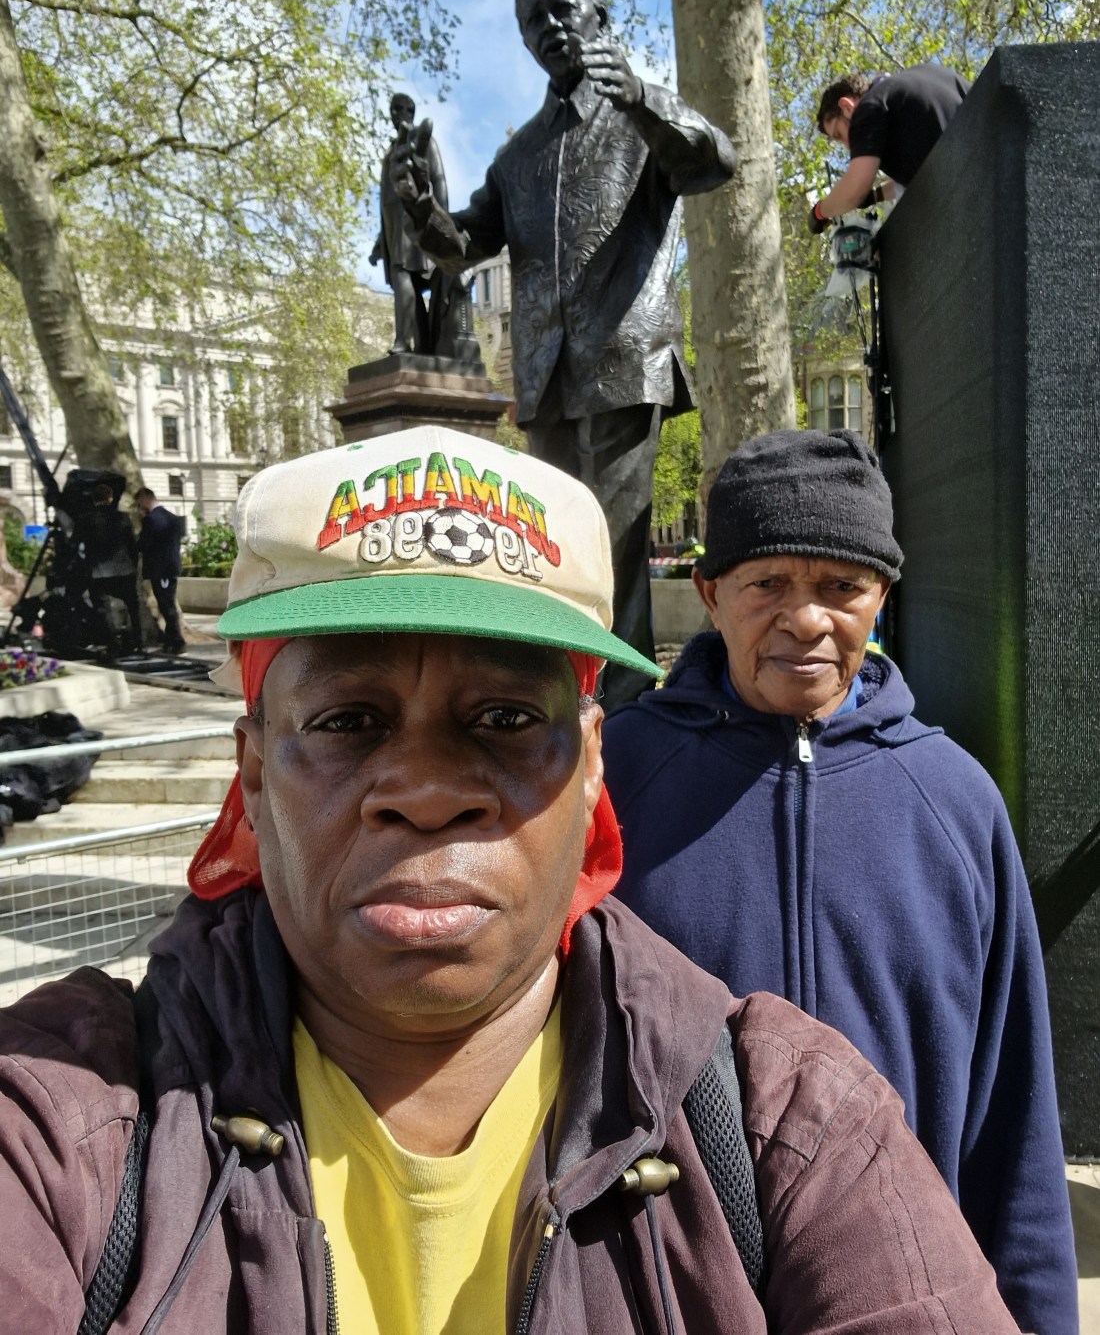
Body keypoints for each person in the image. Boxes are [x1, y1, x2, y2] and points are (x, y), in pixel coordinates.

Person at [0, 425, 1020, 1333]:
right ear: (256, 772)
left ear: (591, 765)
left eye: (503, 719)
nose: (428, 790)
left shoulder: (789, 1123)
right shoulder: (62, 1120)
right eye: (348, 720)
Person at [602, 428, 1078, 1335]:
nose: (806, 619)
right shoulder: (615, 780)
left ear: (882, 597)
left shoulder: (954, 802)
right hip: (668, 1296)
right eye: (767, 584)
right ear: (710, 594)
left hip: (902, 1293)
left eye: (841, 586)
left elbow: (1014, 1121)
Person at [392, 0, 735, 713]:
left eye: (561, 9)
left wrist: (641, 97)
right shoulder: (517, 156)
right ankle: (557, 700)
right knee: (547, 545)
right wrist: (420, 210)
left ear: (598, 15)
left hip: (623, 360)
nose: (548, 28)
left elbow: (716, 159)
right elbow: (463, 245)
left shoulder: (640, 117)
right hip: (546, 378)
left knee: (610, 546)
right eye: (532, 20)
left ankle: (625, 712)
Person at [808, 64, 970, 231]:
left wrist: (819, 212)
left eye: (839, 134)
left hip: (967, 195)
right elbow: (924, 173)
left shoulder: (869, 107)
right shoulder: (924, 74)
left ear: (847, 107)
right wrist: (875, 196)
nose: (848, 146)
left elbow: (855, 190)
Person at [369, 91, 449, 354]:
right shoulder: (393, 149)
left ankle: (403, 341)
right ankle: (421, 345)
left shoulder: (422, 141)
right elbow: (386, 202)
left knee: (402, 273)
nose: (396, 114)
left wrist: (443, 226)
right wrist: (380, 242)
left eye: (401, 109)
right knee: (404, 281)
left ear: (410, 112)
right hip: (394, 228)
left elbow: (439, 183)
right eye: (393, 109)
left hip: (414, 221)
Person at [70, 480, 140, 654]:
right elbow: (132, 544)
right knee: (132, 605)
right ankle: (137, 640)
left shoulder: (85, 519)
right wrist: (133, 565)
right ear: (110, 498)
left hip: (98, 571)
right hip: (124, 570)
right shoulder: (123, 517)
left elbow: (74, 545)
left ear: (94, 499)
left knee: (103, 608)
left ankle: (112, 642)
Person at [135, 485, 184, 655]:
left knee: (166, 605)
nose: (139, 507)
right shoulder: (172, 518)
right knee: (167, 603)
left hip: (160, 569)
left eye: (139, 503)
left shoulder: (151, 519)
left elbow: (143, 544)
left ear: (145, 499)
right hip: (170, 567)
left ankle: (176, 640)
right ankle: (172, 639)